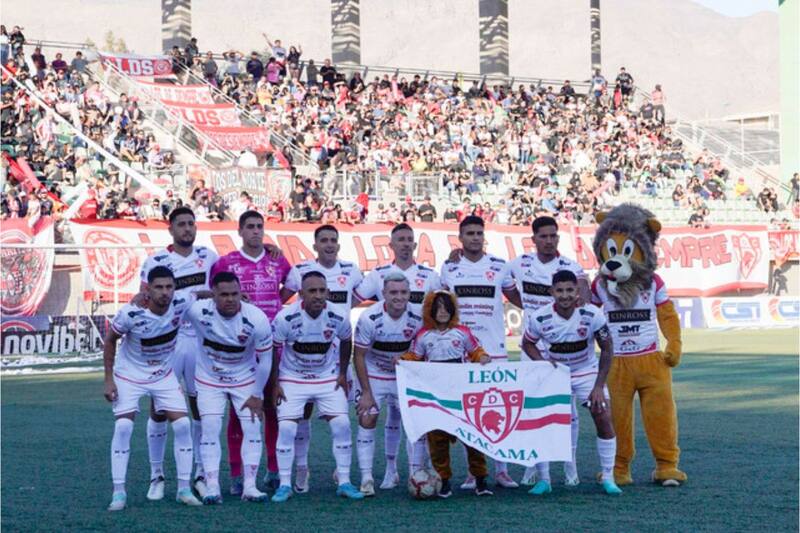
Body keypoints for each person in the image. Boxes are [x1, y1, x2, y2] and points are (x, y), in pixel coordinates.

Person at [103, 266, 202, 511]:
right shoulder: (131, 313)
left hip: (163, 375)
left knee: (182, 424)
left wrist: (232, 294)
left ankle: (183, 489)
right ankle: (118, 493)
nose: (165, 292)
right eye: (159, 287)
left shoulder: (181, 303)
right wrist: (108, 379)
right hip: (129, 375)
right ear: (147, 289)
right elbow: (110, 340)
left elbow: (200, 294)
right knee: (124, 426)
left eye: (169, 287)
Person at [137, 207, 218, 499]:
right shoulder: (156, 261)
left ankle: (199, 473)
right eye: (181, 224)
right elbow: (144, 299)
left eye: (191, 224)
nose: (187, 229)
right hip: (168, 340)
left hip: (200, 340)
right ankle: (156, 476)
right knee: (159, 408)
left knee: (199, 406)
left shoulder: (209, 257)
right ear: (170, 229)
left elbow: (222, 288)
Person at [210, 210, 292, 495]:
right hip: (240, 348)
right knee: (238, 411)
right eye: (251, 227)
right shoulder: (226, 262)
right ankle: (236, 471)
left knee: (271, 407)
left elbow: (290, 285)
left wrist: (272, 305)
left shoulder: (276, 258)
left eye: (260, 227)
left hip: (271, 344)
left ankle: (272, 469)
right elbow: (214, 295)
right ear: (240, 231)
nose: (256, 231)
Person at [522, 270, 622, 496]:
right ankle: (544, 480)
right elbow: (527, 344)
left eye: (569, 290)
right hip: (556, 373)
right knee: (543, 421)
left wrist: (598, 387)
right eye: (560, 290)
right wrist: (544, 364)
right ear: (552, 292)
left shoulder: (592, 314)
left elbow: (607, 348)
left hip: (585, 371)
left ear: (577, 291)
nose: (565, 295)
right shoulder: (540, 317)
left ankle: (608, 476)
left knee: (603, 414)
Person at [440, 215, 522, 489]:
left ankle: (502, 470)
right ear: (460, 238)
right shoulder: (449, 268)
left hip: (496, 349)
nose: (475, 237)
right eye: (470, 233)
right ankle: (474, 471)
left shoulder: (500, 266)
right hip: (462, 351)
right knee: (469, 412)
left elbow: (518, 299)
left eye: (479, 233)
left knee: (500, 407)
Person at [507, 216, 590, 486]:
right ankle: (533, 464)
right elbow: (505, 285)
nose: (549, 240)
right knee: (531, 408)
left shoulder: (570, 267)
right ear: (534, 239)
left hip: (562, 349)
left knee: (569, 409)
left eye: (553, 235)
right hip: (531, 347)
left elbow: (585, 300)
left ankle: (570, 464)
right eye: (543, 236)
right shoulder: (520, 264)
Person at [281, 224, 364, 492]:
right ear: (315, 245)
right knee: (300, 419)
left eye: (333, 240)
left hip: (330, 365)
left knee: (340, 421)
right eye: (324, 240)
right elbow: (279, 297)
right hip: (296, 369)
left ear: (338, 245)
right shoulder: (300, 271)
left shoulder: (352, 271)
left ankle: (343, 477)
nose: (329, 244)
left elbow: (373, 293)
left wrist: (342, 370)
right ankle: (300, 471)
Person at [184, 271, 274, 504]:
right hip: (209, 379)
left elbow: (266, 360)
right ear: (213, 295)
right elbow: (172, 301)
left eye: (235, 294)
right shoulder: (198, 310)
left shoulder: (257, 318)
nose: (230, 299)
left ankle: (250, 486)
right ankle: (213, 486)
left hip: (244, 378)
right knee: (211, 426)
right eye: (223, 294)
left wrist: (257, 395)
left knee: (252, 428)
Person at [401, 290, 493, 498]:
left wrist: (482, 357)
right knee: (437, 438)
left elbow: (475, 350)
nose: (442, 312)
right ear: (430, 311)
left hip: (460, 392)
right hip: (436, 393)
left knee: (472, 436)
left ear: (452, 310)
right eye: (438, 308)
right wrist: (402, 359)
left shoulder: (462, 332)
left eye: (446, 308)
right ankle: (444, 481)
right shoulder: (423, 335)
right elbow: (415, 356)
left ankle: (481, 479)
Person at [353, 273, 425, 496]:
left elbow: (424, 348)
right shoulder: (369, 318)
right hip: (374, 373)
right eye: (393, 292)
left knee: (414, 423)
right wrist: (366, 392)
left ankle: (413, 475)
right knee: (368, 417)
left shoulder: (419, 315)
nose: (399, 297)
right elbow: (359, 356)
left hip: (404, 372)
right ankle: (367, 478)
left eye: (403, 292)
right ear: (383, 294)